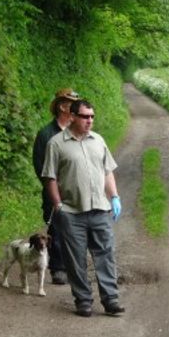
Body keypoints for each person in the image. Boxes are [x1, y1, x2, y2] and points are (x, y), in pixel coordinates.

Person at [41, 99, 125, 318]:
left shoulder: (98, 141)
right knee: (75, 258)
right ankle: (83, 300)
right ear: (72, 116)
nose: (89, 121)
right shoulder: (56, 143)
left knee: (105, 255)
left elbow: (107, 171)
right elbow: (49, 178)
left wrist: (114, 196)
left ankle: (111, 300)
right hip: (72, 211)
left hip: (100, 209)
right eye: (85, 116)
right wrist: (58, 206)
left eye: (92, 117)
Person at [32, 88, 80, 285]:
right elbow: (41, 166)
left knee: (76, 228)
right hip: (55, 191)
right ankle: (58, 268)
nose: (76, 110)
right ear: (62, 107)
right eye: (72, 105)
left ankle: (74, 266)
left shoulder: (76, 132)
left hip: (75, 190)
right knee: (58, 228)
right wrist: (53, 188)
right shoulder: (46, 135)